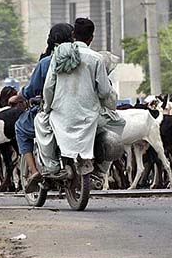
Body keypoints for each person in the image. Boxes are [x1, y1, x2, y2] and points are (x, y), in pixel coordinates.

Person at [40, 18, 124, 180]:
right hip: (89, 118)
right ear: (91, 38)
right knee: (118, 122)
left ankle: (52, 167)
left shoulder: (59, 54)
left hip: (61, 116)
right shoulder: (96, 59)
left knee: (41, 124)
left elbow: (49, 87)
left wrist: (47, 108)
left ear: (73, 34)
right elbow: (105, 91)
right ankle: (101, 170)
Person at [11, 23, 74, 193]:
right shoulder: (85, 59)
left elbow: (31, 90)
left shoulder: (46, 63)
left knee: (20, 128)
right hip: (79, 112)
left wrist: (18, 96)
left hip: (52, 112)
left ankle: (34, 171)